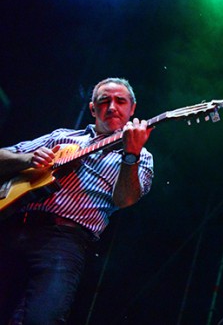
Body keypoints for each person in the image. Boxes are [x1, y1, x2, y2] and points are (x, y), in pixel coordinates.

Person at [0, 77, 154, 324]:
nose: (112, 107)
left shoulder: (141, 157)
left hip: (64, 243)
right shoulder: (63, 136)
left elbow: (125, 199)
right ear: (93, 108)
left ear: (132, 109)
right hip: (13, 224)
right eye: (104, 101)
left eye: (120, 101)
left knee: (42, 318)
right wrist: (28, 159)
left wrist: (131, 154)